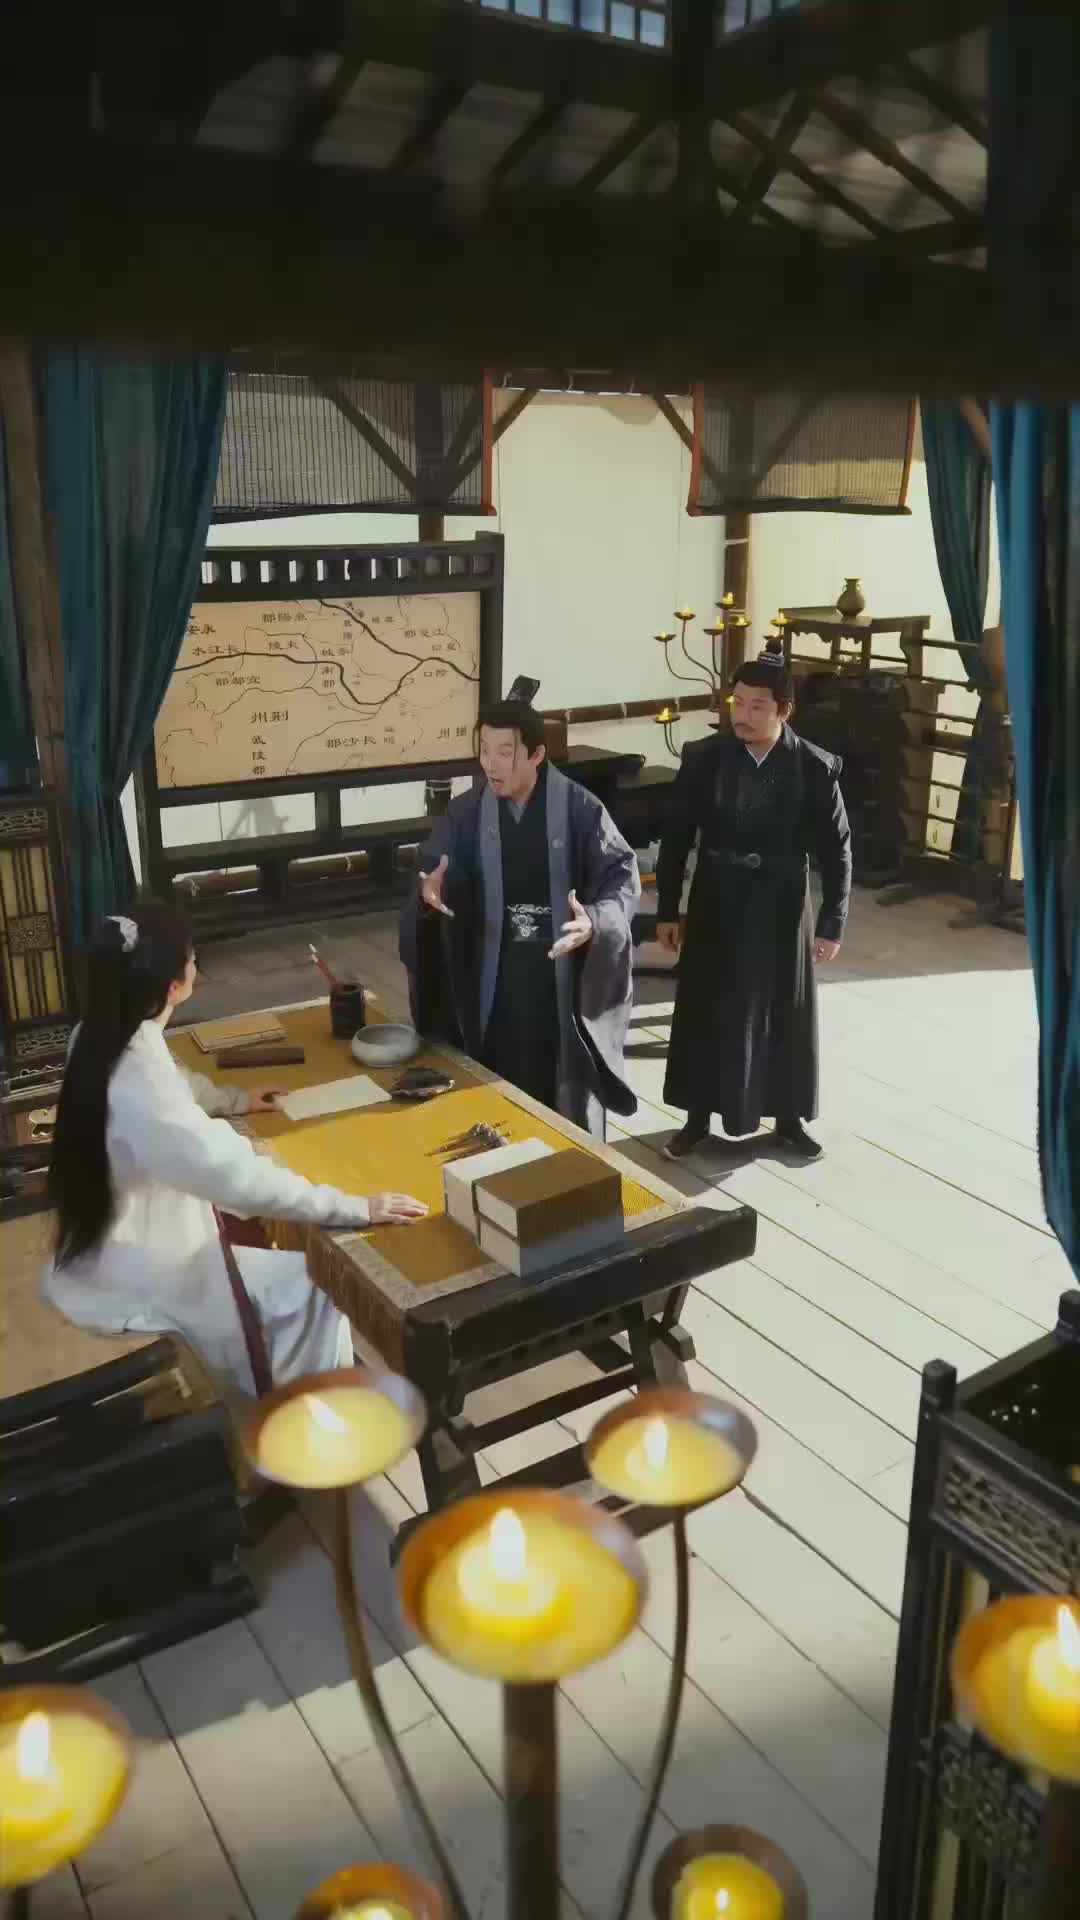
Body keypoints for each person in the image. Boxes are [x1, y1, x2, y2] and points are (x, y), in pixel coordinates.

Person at [44, 903, 426, 1403]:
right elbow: (235, 1176)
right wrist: (355, 1206)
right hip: (143, 1276)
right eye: (191, 957)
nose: (195, 963)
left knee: (268, 1246)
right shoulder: (142, 1085)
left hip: (100, 1252)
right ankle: (303, 1421)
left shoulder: (101, 1033)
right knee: (315, 1283)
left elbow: (175, 1086)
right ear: (173, 985)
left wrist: (234, 1101)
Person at [399, 698, 640, 1135]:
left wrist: (595, 922)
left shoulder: (580, 809)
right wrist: (429, 889)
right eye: (484, 750)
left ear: (536, 754)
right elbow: (434, 863)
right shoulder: (466, 811)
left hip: (558, 974)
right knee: (493, 1074)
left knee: (560, 1087)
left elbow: (621, 879)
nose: (490, 763)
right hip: (494, 970)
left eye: (504, 752)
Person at [655, 655, 851, 1163]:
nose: (742, 715)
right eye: (737, 702)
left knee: (784, 1008)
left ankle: (788, 1120)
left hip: (782, 898)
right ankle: (697, 1119)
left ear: (784, 710)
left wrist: (832, 922)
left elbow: (837, 850)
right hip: (716, 893)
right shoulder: (705, 758)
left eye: (757, 706)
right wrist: (668, 910)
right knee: (707, 1004)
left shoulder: (814, 767)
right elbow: (676, 838)